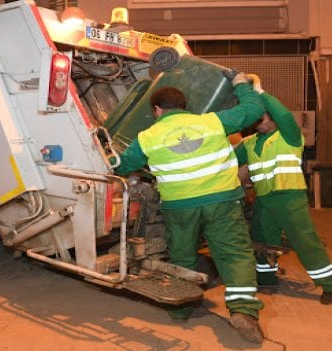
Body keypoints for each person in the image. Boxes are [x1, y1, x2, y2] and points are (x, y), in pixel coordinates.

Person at [113, 72, 266, 344]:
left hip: (179, 206)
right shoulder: (213, 121)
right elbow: (254, 109)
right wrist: (240, 83)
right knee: (234, 254)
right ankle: (243, 311)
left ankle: (181, 310)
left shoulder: (148, 136)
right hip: (221, 200)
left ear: (157, 110)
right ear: (185, 106)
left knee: (182, 254)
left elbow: (121, 166)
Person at [235, 75, 332, 305]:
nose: (257, 122)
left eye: (261, 117)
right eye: (255, 120)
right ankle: (265, 279)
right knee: (262, 241)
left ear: (273, 119)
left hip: (290, 197)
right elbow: (227, 159)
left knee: (304, 240)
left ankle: (330, 284)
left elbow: (283, 115)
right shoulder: (249, 143)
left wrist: (260, 92)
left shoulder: (289, 135)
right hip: (264, 200)